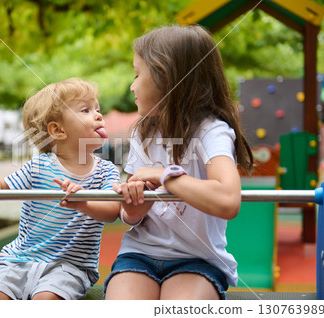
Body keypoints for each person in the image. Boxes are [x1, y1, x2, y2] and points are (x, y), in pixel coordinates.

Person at [105, 25, 254, 300]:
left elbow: (228, 199)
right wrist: (135, 206)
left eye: (138, 74)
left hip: (197, 260)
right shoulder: (143, 132)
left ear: (165, 77)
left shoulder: (212, 131)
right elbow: (129, 216)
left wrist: (165, 176)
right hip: (139, 254)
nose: (132, 85)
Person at [0, 78, 121, 300]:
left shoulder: (106, 171)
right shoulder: (39, 166)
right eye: (86, 110)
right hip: (19, 259)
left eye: (98, 109)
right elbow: (4, 185)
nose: (99, 115)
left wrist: (83, 203)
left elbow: (111, 211)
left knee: (46, 300)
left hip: (69, 266)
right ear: (58, 130)